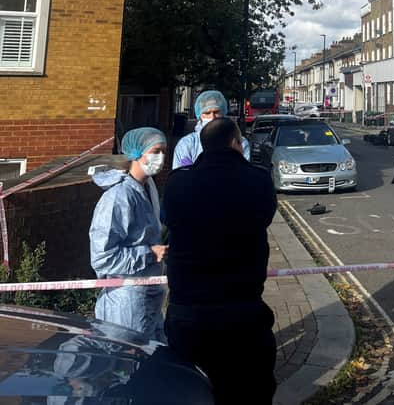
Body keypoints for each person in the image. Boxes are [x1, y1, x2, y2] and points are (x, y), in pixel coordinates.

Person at [163, 118, 277, 404]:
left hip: (188, 313)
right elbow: (265, 215)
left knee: (186, 391)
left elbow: (169, 221)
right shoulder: (259, 179)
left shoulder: (178, 183)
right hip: (242, 311)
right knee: (250, 391)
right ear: (236, 143)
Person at [89, 127, 168, 340]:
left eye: (164, 152)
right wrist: (149, 254)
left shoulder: (146, 189)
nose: (161, 158)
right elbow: (102, 258)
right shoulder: (119, 197)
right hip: (125, 304)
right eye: (156, 151)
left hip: (148, 297)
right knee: (127, 366)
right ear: (136, 153)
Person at [172, 90, 250, 168]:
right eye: (207, 113)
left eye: (216, 112)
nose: (212, 117)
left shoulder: (239, 142)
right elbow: (181, 175)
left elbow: (243, 173)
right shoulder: (186, 144)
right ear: (199, 116)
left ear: (223, 113)